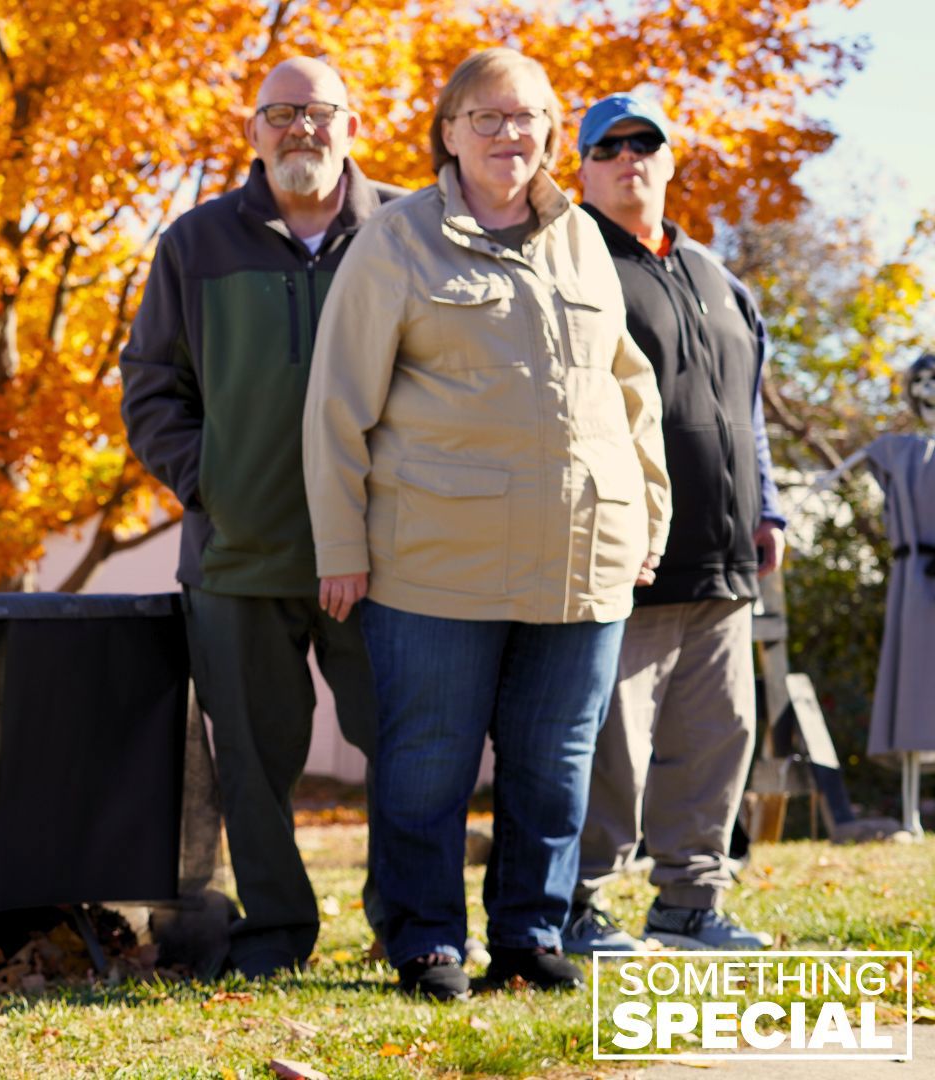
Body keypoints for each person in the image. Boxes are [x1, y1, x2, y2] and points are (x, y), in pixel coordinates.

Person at [302, 48, 670, 1000]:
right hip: (435, 560)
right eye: (489, 118)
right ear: (451, 133)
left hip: (581, 557)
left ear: (553, 132)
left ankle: (529, 934)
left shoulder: (583, 238)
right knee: (428, 764)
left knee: (556, 764)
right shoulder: (395, 241)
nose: (512, 135)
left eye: (530, 118)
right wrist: (341, 546)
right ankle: (427, 942)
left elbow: (630, 391)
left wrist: (646, 519)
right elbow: (338, 404)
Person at [120, 56, 403, 976]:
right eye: (279, 113)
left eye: (319, 112)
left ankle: (409, 925)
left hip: (387, 555)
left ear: (350, 125)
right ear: (253, 133)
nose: (300, 130)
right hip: (237, 560)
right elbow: (153, 386)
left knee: (408, 749)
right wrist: (214, 483)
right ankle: (277, 932)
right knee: (251, 760)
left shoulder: (409, 231)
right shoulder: (194, 243)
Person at [560, 94, 782, 955]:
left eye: (643, 143)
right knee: (609, 748)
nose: (627, 159)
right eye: (606, 147)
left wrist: (768, 507)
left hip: (726, 565)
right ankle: (578, 905)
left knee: (717, 739)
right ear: (579, 168)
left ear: (667, 159)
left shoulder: (721, 280)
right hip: (626, 558)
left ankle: (691, 901)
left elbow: (747, 410)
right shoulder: (571, 264)